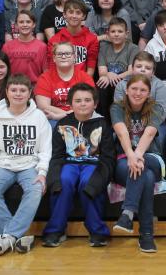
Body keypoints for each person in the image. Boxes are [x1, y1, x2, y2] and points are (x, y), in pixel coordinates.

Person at [0, 74, 52, 256]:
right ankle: (15, 236)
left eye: (22, 90)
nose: (18, 94)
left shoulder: (39, 117)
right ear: (7, 92)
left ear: (30, 94)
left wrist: (42, 172)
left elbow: (45, 149)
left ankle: (7, 237)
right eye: (14, 90)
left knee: (35, 189)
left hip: (30, 165)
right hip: (3, 164)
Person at [43, 83, 116, 248]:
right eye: (78, 100)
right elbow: (57, 156)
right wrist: (53, 179)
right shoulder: (62, 124)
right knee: (64, 181)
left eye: (87, 100)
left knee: (87, 183)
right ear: (71, 104)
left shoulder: (102, 124)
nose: (83, 104)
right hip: (68, 163)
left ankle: (97, 231)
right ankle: (56, 230)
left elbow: (108, 158)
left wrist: (101, 178)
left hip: (93, 164)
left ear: (95, 104)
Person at [110, 75, 166, 253]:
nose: (138, 93)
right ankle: (146, 235)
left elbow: (149, 134)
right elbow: (121, 133)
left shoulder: (155, 107)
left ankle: (127, 213)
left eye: (143, 90)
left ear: (149, 93)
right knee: (146, 176)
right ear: (126, 90)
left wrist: (137, 156)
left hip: (151, 157)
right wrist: (131, 156)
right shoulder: (117, 107)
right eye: (134, 88)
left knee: (145, 168)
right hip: (124, 159)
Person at [35, 42, 96, 126]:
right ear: (54, 58)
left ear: (74, 57)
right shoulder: (45, 78)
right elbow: (44, 106)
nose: (63, 57)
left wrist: (63, 116)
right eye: (60, 54)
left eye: (67, 54)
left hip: (82, 118)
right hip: (53, 119)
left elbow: (90, 104)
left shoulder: (84, 77)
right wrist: (67, 115)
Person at [2, 9, 47, 84]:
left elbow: (46, 72)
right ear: (16, 25)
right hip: (13, 86)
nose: (25, 25)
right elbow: (3, 71)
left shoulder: (42, 47)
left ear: (34, 24)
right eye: (21, 22)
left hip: (35, 87)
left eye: (28, 22)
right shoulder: (7, 47)